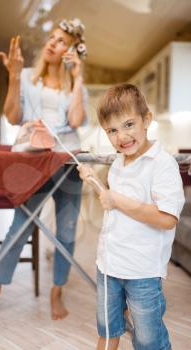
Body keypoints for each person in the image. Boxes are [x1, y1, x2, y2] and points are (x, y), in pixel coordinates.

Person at [0, 18, 88, 322]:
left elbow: (75, 121)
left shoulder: (76, 85)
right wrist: (12, 75)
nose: (52, 42)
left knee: (65, 231)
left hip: (67, 164)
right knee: (19, 227)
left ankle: (56, 291)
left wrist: (78, 78)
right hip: (32, 163)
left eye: (61, 40)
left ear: (72, 50)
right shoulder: (25, 76)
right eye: (52, 37)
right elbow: (12, 117)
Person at [78, 83, 185, 350]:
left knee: (149, 342)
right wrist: (94, 182)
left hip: (142, 272)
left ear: (146, 120)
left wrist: (116, 199)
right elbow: (115, 205)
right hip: (108, 265)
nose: (121, 136)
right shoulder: (117, 163)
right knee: (108, 330)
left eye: (128, 125)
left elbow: (167, 218)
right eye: (112, 130)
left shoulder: (162, 164)